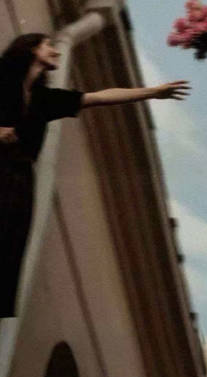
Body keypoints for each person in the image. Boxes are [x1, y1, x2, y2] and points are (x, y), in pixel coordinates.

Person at [0, 32, 190, 317]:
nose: (56, 50)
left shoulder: (43, 99)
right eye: (48, 45)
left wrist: (152, 92)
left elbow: (100, 97)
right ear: (30, 49)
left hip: (18, 181)